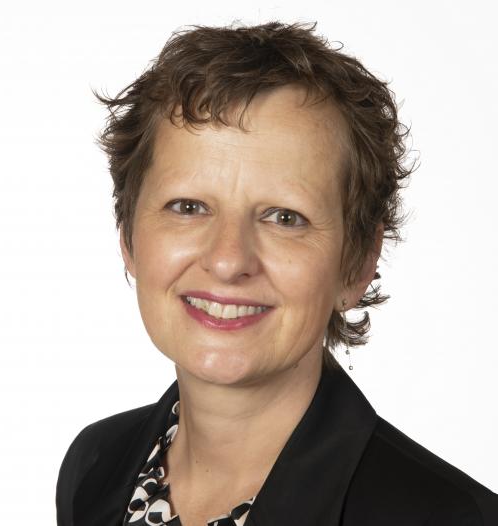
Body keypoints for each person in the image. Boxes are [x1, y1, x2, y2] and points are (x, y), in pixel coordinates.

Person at [55, 21, 498, 526]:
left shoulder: (452, 518)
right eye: (188, 206)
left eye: (285, 218)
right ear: (128, 236)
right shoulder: (97, 463)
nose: (228, 260)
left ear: (357, 262)